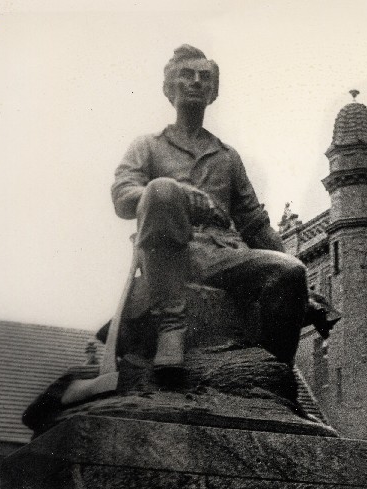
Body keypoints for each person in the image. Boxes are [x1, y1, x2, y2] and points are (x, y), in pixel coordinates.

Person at [111, 44, 313, 378]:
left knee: (290, 271)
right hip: (170, 255)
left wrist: (304, 282)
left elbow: (255, 223)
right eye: (185, 75)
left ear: (213, 92)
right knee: (162, 189)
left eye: (204, 78)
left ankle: (278, 373)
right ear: (168, 87)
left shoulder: (227, 156)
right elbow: (122, 196)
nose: (195, 83)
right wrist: (175, 193)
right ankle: (171, 329)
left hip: (224, 256)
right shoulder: (147, 145)